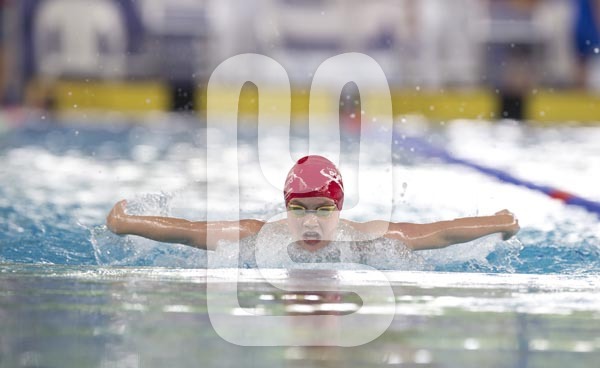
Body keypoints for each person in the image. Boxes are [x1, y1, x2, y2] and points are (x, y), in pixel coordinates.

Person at [106, 155, 520, 255]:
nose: (310, 222)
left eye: (323, 210)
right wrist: (126, 222)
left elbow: (439, 232)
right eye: (299, 209)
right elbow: (188, 231)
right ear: (285, 208)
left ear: (339, 209)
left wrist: (499, 221)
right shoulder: (258, 238)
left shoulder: (366, 240)